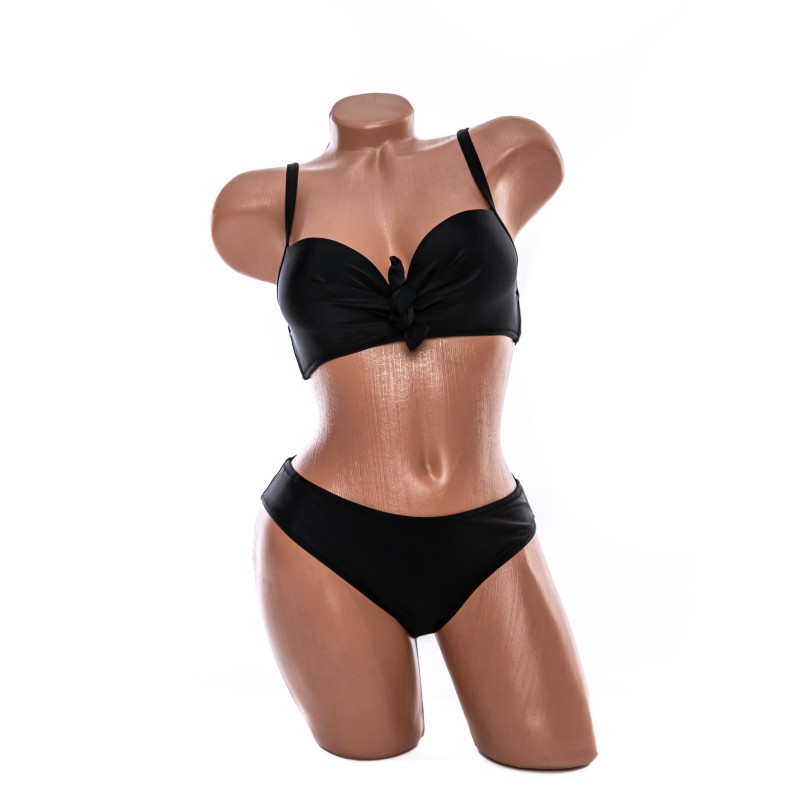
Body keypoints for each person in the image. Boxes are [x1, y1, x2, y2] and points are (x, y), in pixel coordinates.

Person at [211, 93, 597, 769]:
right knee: (378, 761)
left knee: (560, 751)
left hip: (487, 533)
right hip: (325, 542)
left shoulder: (506, 152)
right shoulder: (259, 203)